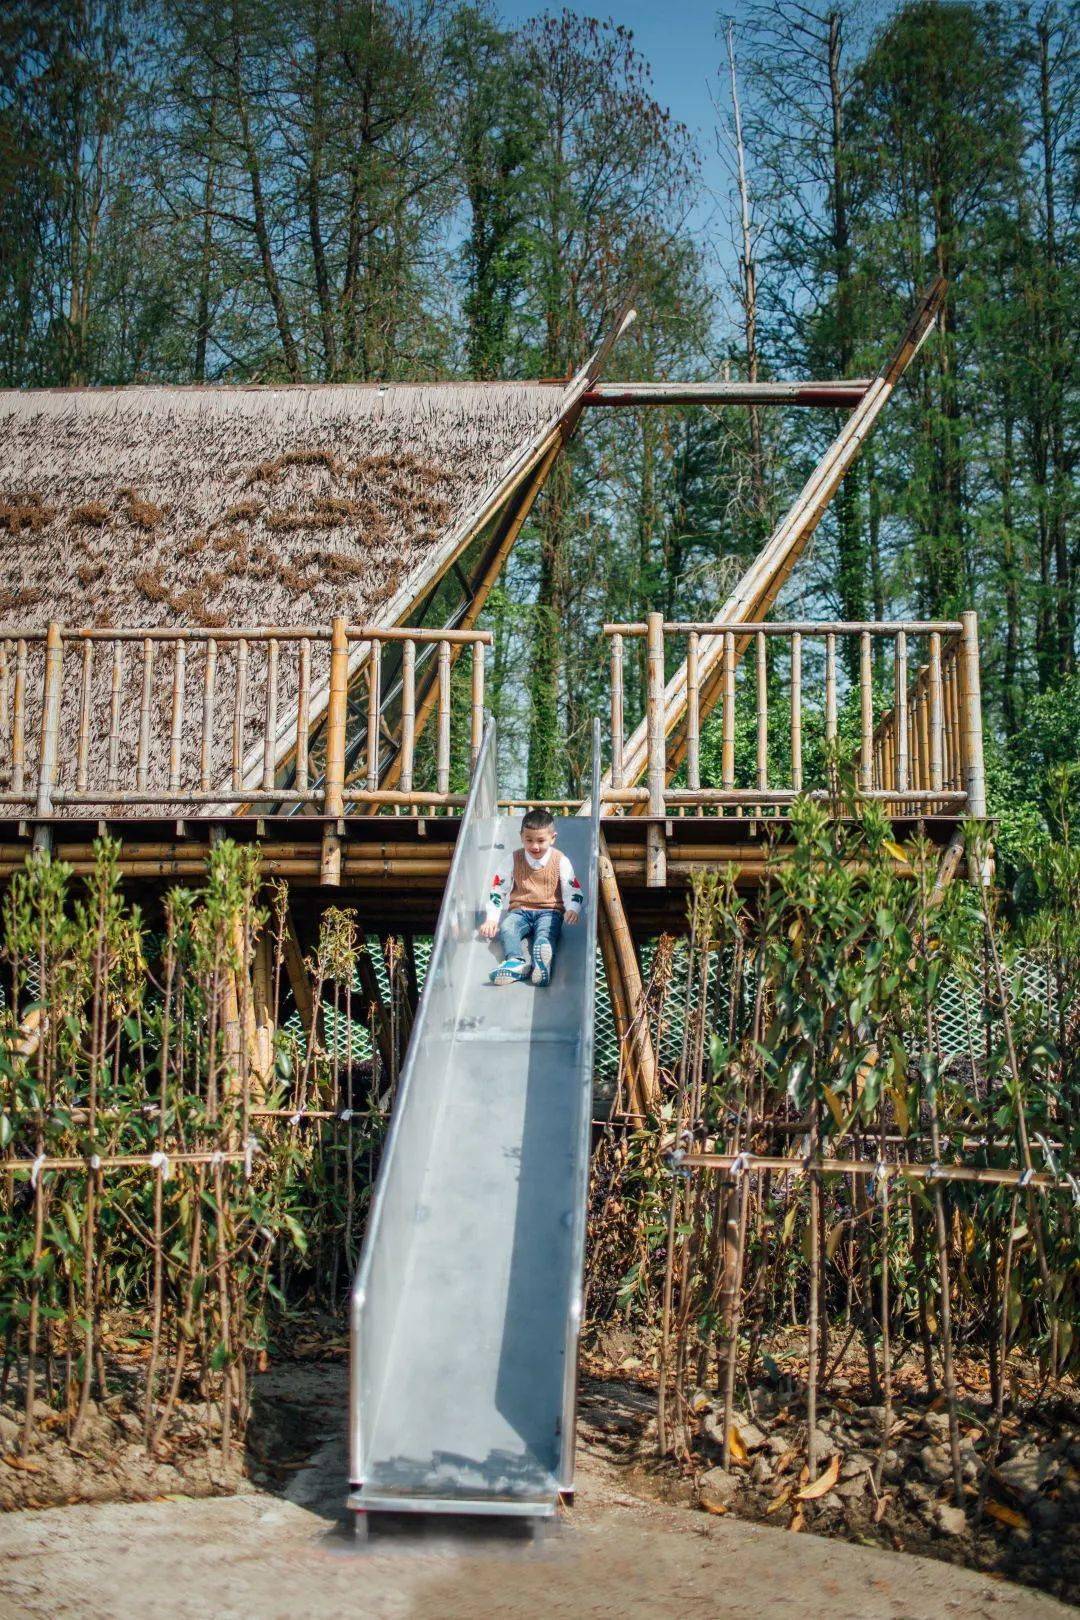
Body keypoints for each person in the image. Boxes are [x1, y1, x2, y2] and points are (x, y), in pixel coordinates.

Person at [478, 808, 583, 986]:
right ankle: (516, 962)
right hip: (520, 911)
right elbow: (498, 889)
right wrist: (492, 919)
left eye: (541, 841)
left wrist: (573, 908)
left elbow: (571, 888)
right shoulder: (513, 859)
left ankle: (541, 965)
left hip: (549, 911)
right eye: (529, 840)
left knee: (547, 932)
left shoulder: (560, 861)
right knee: (508, 927)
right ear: (521, 837)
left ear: (553, 838)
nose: (535, 846)